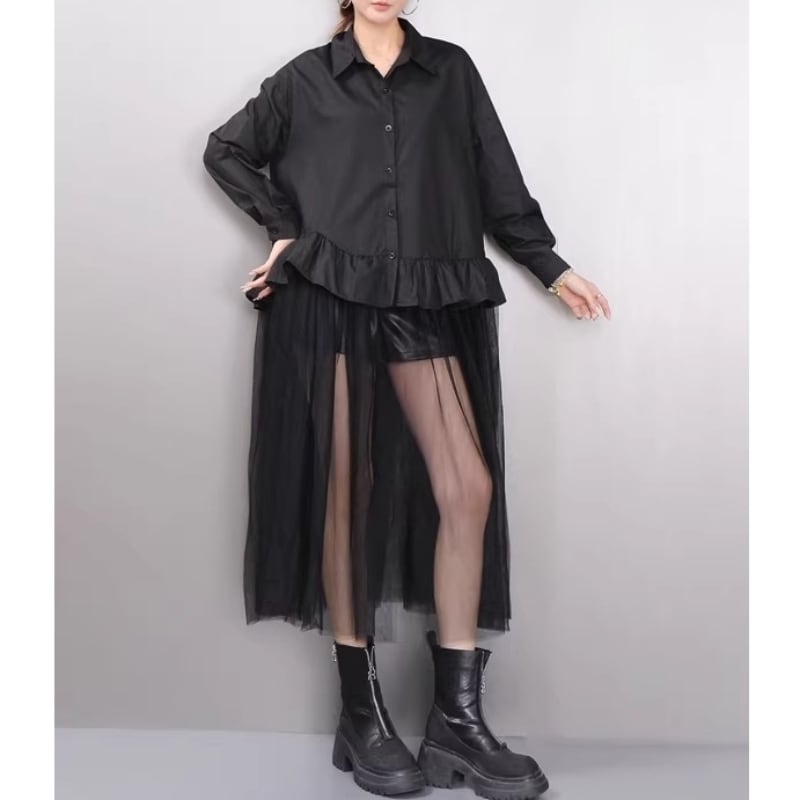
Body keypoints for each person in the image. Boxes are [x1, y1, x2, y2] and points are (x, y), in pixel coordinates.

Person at [202, 1, 611, 797]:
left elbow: (496, 180)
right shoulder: (305, 80)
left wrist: (550, 267)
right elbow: (227, 150)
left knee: (467, 486)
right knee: (346, 493)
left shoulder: (449, 71)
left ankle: (457, 720)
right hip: (330, 298)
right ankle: (362, 716)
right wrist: (283, 228)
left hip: (423, 299)